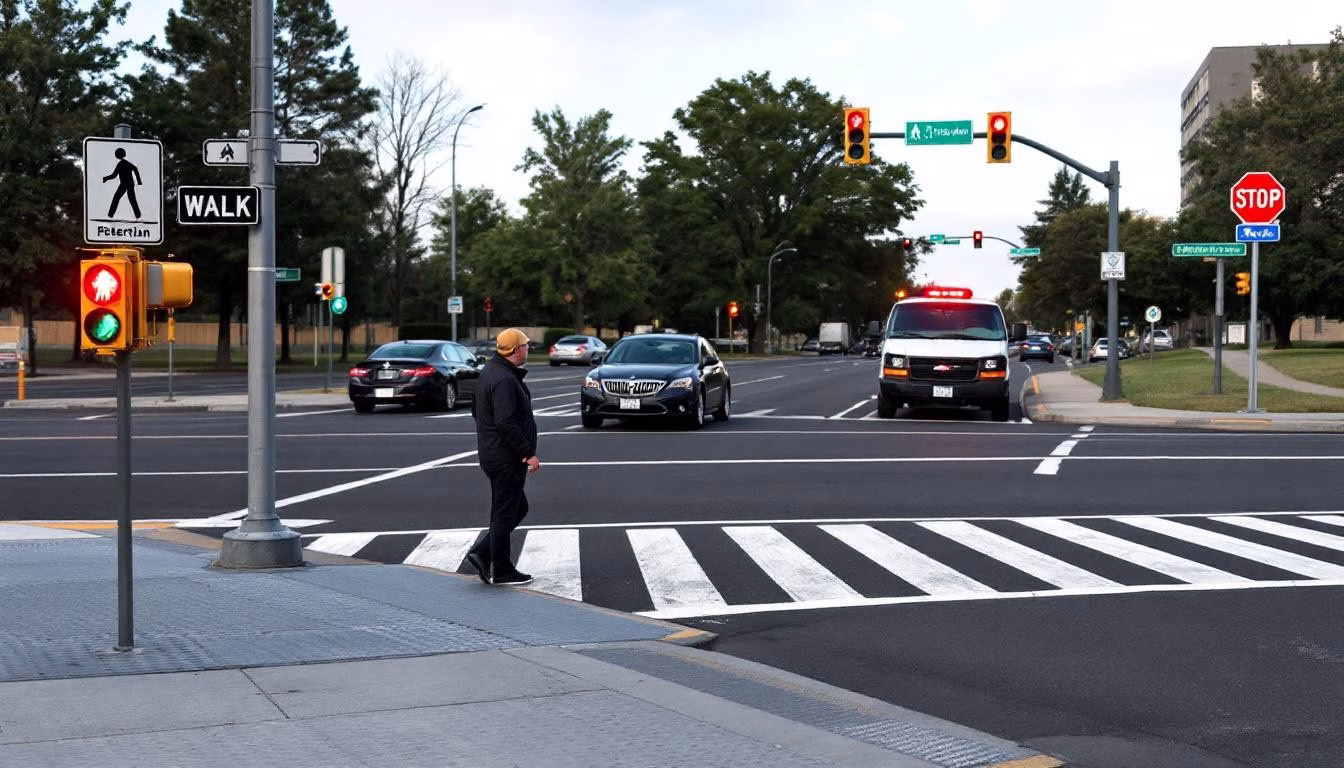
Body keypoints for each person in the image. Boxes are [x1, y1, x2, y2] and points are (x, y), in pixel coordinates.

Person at [464, 328, 540, 586]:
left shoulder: (490, 373)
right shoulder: (505, 379)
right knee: (506, 512)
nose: (527, 349)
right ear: (516, 350)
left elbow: (477, 411)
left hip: (493, 453)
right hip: (506, 458)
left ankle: (485, 555)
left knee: (515, 508)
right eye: (526, 346)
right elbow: (506, 422)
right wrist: (527, 453)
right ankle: (499, 567)